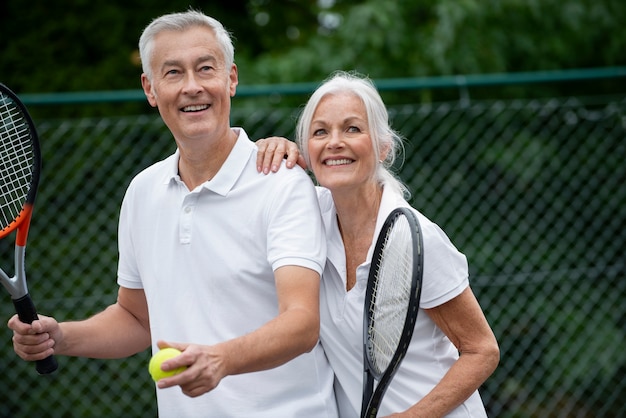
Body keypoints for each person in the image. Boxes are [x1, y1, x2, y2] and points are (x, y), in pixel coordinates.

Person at [7, 10, 339, 418]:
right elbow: (136, 319)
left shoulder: (283, 184)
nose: (193, 87)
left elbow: (302, 323)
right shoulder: (142, 192)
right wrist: (61, 337)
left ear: (231, 79)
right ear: (150, 88)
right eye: (174, 73)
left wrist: (221, 359)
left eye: (205, 69)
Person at [256, 71, 500, 417]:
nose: (334, 142)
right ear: (306, 152)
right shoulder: (302, 221)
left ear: (384, 147)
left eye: (352, 128)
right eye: (320, 132)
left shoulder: (417, 238)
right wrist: (269, 146)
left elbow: (482, 350)